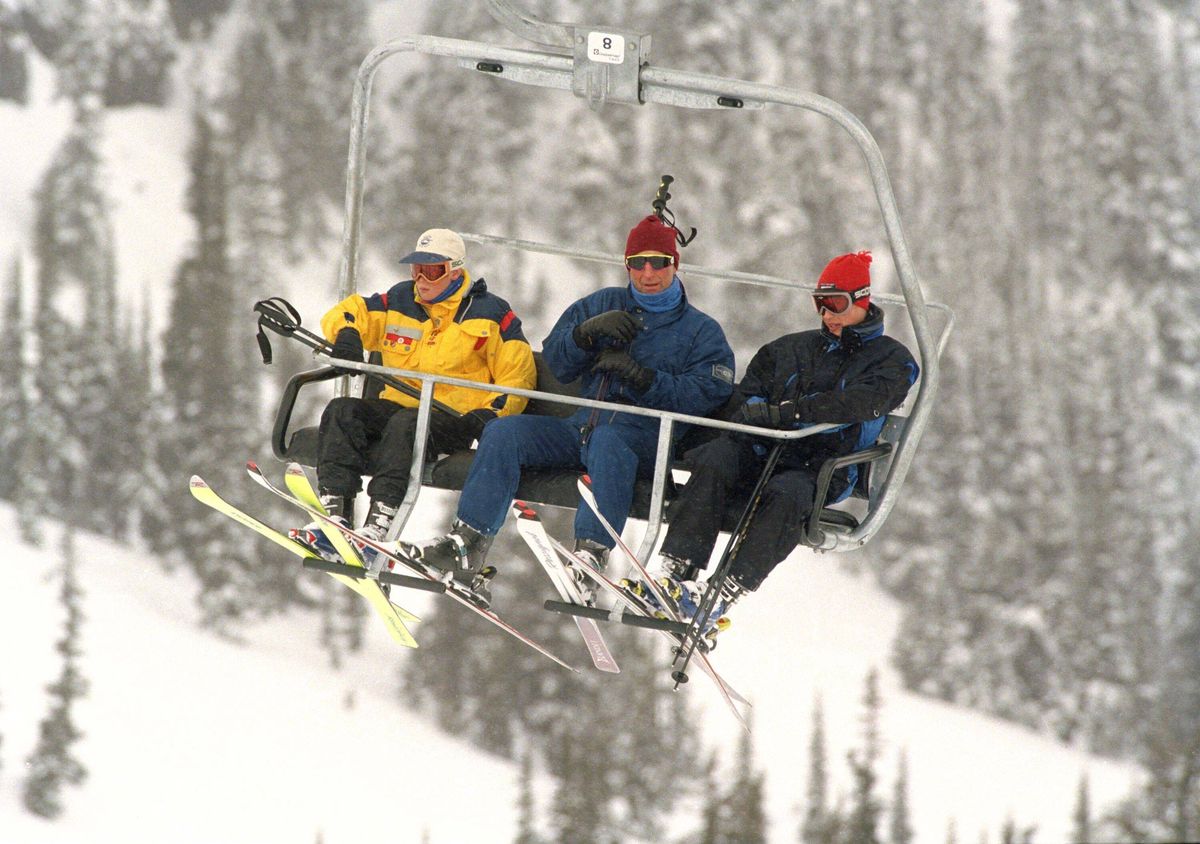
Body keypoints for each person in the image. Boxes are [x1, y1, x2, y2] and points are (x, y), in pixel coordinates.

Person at [412, 214, 736, 609]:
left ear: (675, 264)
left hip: (643, 440)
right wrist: (584, 337)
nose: (647, 273)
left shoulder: (700, 331)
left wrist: (643, 379)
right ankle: (469, 543)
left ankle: (590, 557)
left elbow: (709, 393)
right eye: (637, 263)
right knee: (504, 433)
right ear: (626, 264)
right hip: (580, 428)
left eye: (658, 262)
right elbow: (559, 361)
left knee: (609, 439)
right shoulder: (601, 304)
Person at [632, 251, 919, 636]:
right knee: (716, 456)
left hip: (822, 466)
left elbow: (861, 404)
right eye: (820, 304)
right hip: (763, 449)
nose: (827, 314)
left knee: (788, 492)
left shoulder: (893, 361)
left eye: (836, 303)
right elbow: (748, 394)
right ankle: (674, 571)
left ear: (863, 300)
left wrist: (788, 413)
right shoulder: (789, 349)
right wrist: (758, 414)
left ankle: (723, 591)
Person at [305, 227, 536, 547]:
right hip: (398, 402)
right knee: (342, 410)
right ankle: (336, 512)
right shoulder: (399, 300)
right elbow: (351, 310)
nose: (422, 279)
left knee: (407, 424)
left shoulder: (489, 314)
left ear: (455, 271)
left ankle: (380, 521)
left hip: (451, 415)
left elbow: (518, 376)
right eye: (417, 269)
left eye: (433, 270)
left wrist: (491, 414)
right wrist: (347, 333)